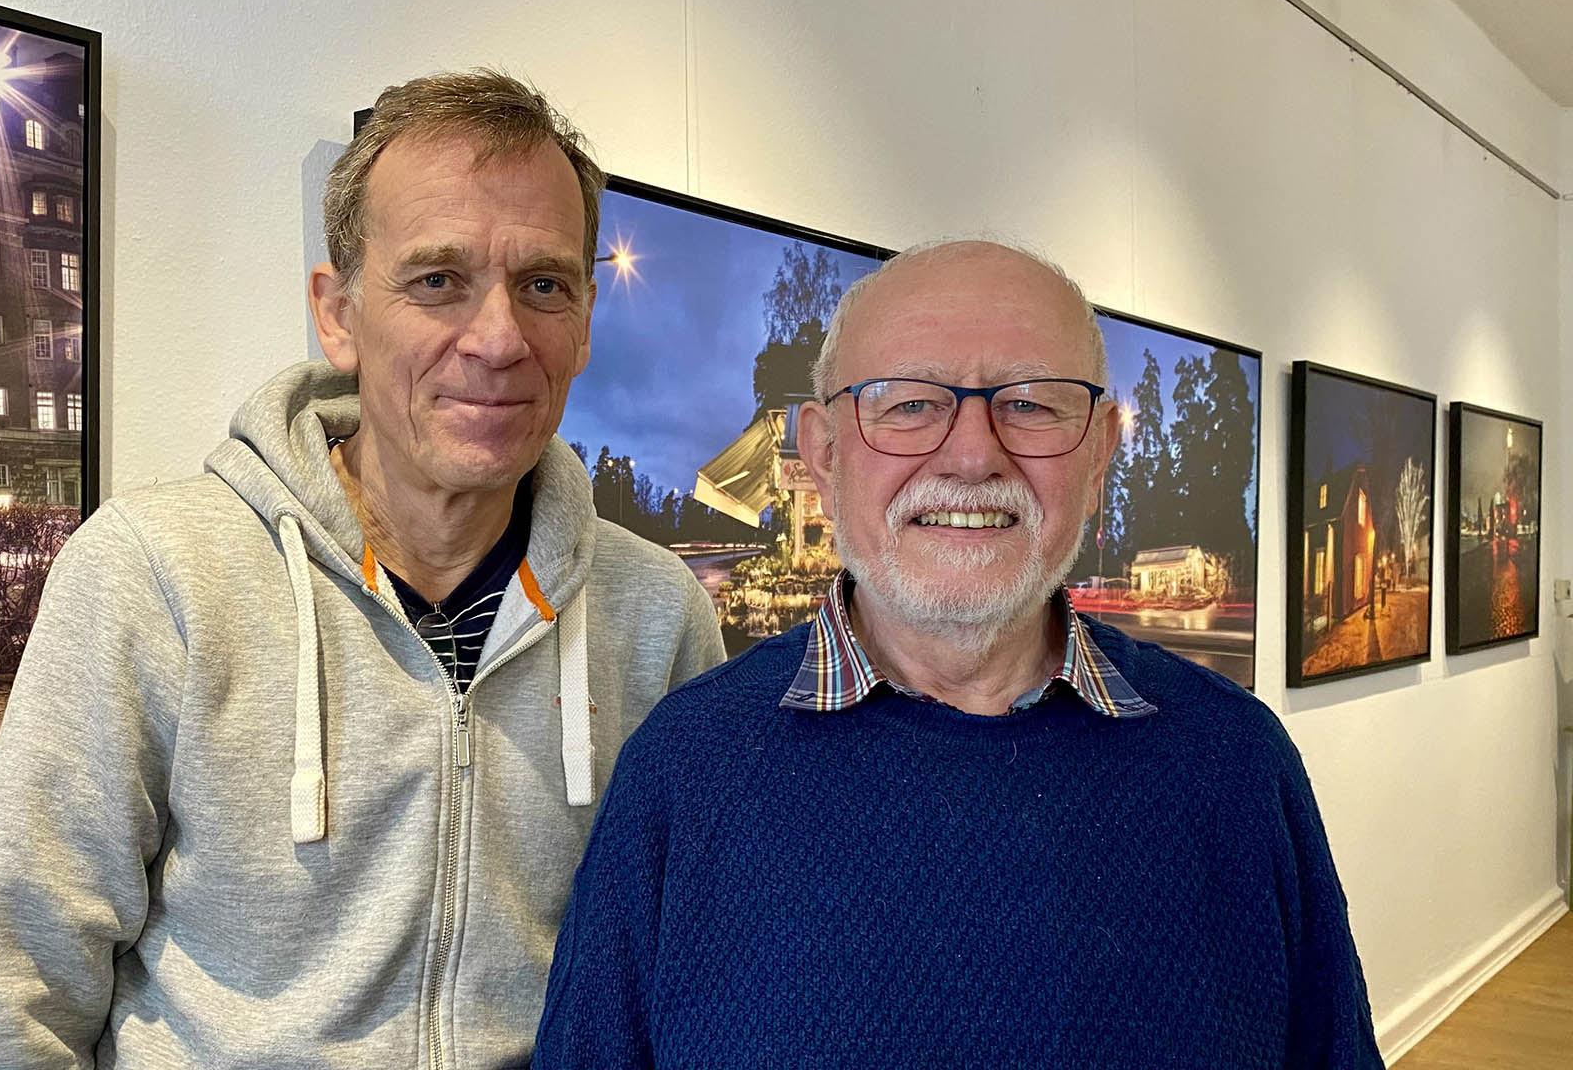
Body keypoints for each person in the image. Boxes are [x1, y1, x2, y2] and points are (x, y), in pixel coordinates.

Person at [0, 70, 724, 1068]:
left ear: (587, 320)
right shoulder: (155, 578)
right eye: (438, 280)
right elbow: (6, 1005)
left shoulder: (657, 619)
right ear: (337, 313)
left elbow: (688, 972)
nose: (499, 339)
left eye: (544, 285)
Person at [533, 241, 1384, 1068]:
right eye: (908, 404)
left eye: (1031, 404)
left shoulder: (1236, 764)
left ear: (1098, 455)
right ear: (824, 455)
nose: (974, 454)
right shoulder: (684, 772)